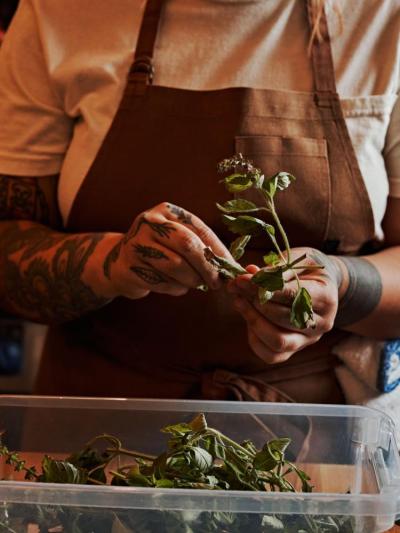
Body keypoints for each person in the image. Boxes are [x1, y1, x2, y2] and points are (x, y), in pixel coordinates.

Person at [0, 0, 399, 407]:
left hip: (316, 434)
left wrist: (340, 282)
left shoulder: (383, 18)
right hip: (96, 423)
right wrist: (112, 262)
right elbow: (7, 249)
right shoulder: (60, 13)